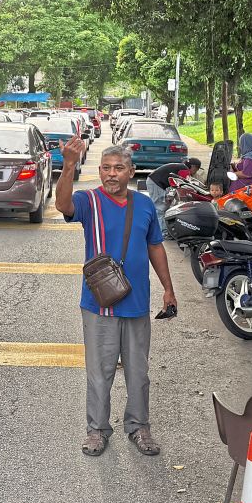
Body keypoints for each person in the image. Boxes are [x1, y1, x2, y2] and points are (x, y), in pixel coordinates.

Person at [56, 137, 178, 459]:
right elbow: (63, 205)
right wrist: (69, 165)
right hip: (98, 305)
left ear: (131, 172)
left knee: (138, 370)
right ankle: (96, 430)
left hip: (136, 303)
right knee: (100, 371)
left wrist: (168, 288)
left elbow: (155, 247)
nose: (112, 174)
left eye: (119, 168)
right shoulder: (90, 201)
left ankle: (139, 426)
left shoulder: (145, 205)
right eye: (106, 168)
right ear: (99, 171)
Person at [145, 158, 202, 236]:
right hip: (156, 183)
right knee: (160, 208)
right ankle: (162, 232)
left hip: (156, 182)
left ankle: (162, 230)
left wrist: (171, 197)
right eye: (196, 169)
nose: (195, 172)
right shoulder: (184, 169)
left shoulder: (180, 167)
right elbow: (182, 186)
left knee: (163, 207)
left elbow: (175, 184)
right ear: (193, 167)